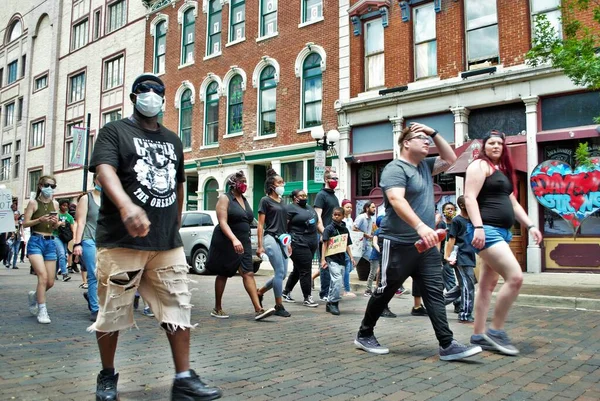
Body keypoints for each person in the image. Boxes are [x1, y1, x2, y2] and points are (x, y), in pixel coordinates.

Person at [88, 73, 222, 401]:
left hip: (165, 244)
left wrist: (173, 227)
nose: (151, 95)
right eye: (144, 90)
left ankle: (183, 378)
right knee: (113, 312)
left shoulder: (174, 140)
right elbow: (105, 171)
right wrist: (126, 206)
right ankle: (107, 376)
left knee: (178, 307)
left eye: (157, 91)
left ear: (164, 99)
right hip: (122, 241)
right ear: (134, 97)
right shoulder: (114, 131)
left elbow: (178, 183)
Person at [354, 122, 482, 361]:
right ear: (406, 143)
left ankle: (447, 344)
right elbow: (396, 199)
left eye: (428, 139)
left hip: (425, 246)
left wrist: (434, 132)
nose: (427, 142)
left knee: (433, 292)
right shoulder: (395, 168)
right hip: (398, 243)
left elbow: (451, 158)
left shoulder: (425, 166)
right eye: (421, 138)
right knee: (385, 290)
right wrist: (421, 226)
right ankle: (364, 334)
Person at [464, 130, 543, 355]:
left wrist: (531, 226)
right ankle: (496, 331)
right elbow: (469, 197)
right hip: (486, 231)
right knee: (515, 277)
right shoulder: (479, 166)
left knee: (487, 285)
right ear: (484, 146)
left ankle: (479, 334)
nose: (496, 146)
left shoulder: (502, 171)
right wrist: (478, 227)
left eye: (500, 143)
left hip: (502, 232)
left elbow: (515, 204)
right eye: (492, 143)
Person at [208, 171, 275, 321]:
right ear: (233, 183)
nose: (244, 184)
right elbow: (222, 222)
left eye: (246, 181)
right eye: (242, 181)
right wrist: (233, 239)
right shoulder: (225, 198)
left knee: (248, 273)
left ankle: (258, 309)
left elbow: (249, 220)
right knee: (223, 273)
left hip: (243, 242)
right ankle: (217, 308)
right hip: (226, 241)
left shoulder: (244, 200)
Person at [23, 175, 60, 324]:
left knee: (50, 282)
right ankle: (42, 310)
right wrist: (39, 220)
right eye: (47, 185)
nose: (49, 188)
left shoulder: (55, 204)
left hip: (50, 242)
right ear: (40, 185)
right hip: (36, 242)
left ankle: (34, 296)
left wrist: (56, 223)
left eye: (52, 186)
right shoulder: (33, 203)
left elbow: (54, 227)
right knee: (42, 277)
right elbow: (25, 223)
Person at [256, 169, 292, 318]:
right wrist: (260, 246)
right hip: (270, 238)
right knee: (279, 272)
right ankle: (279, 305)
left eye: (283, 182)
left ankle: (260, 292)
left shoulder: (282, 201)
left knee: (283, 274)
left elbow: (285, 223)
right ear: (272, 185)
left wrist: (288, 242)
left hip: (283, 239)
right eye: (279, 182)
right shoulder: (265, 201)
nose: (282, 184)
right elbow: (260, 225)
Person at [282, 189, 320, 308]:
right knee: (305, 270)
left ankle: (286, 292)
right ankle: (307, 297)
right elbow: (284, 226)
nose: (304, 197)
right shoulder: (290, 208)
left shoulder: (309, 207)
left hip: (312, 241)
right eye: (301, 195)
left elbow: (317, 223)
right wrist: (287, 242)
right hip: (298, 242)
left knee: (299, 270)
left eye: (305, 195)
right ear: (294, 197)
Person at [73, 174, 102, 321]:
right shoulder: (86, 198)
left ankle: (92, 298)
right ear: (95, 179)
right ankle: (96, 309)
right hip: (89, 240)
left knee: (107, 276)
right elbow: (80, 222)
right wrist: (77, 243)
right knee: (93, 274)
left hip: (106, 242)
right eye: (101, 177)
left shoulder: (111, 198)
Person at [443, 196, 477, 323]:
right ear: (463, 206)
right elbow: (451, 240)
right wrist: (446, 256)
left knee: (468, 283)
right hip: (461, 257)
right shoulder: (457, 221)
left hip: (470, 255)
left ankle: (439, 303)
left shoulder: (473, 220)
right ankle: (465, 314)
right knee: (468, 286)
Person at [321, 207, 355, 315]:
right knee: (338, 280)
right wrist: (323, 259)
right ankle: (334, 303)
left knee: (334, 282)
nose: (336, 216)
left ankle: (329, 302)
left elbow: (347, 245)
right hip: (332, 258)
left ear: (343, 216)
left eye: (338, 215)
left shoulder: (345, 229)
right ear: (332, 215)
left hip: (342, 259)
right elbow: (324, 244)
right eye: (334, 214)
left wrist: (351, 257)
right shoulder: (329, 229)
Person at [314, 170, 340, 302]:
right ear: (326, 180)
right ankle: (324, 293)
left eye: (337, 178)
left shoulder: (334, 197)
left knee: (334, 265)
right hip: (325, 236)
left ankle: (332, 291)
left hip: (335, 237)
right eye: (333, 178)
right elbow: (318, 215)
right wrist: (323, 232)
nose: (336, 180)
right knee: (325, 265)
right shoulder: (321, 195)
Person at [437, 202, 460, 313]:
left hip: (456, 255)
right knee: (449, 280)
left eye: (452, 209)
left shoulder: (456, 223)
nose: (450, 211)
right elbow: (439, 242)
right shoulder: (442, 225)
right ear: (443, 211)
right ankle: (458, 303)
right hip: (444, 257)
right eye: (447, 209)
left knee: (443, 281)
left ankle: (437, 303)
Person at [53, 200, 73, 282]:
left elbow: (73, 228)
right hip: (56, 236)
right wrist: (60, 223)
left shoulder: (69, 217)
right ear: (60, 206)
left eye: (66, 205)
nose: (65, 207)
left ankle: (54, 274)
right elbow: (53, 227)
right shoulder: (56, 214)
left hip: (64, 238)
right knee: (62, 254)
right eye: (63, 205)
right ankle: (64, 274)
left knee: (60, 256)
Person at [340, 199, 356, 297]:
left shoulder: (350, 220)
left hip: (348, 245)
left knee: (348, 267)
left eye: (351, 207)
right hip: (342, 246)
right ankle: (346, 290)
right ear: (342, 208)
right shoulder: (341, 219)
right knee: (347, 265)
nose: (350, 209)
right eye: (347, 207)